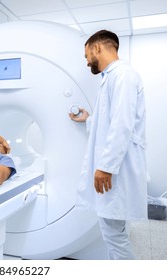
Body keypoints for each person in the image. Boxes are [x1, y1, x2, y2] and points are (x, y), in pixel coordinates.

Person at [69, 30, 147, 259]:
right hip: (115, 167)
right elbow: (111, 119)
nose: (86, 62)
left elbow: (122, 125)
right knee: (113, 233)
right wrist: (89, 119)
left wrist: (106, 167)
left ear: (96, 48)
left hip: (116, 169)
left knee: (115, 236)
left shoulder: (122, 76)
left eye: (86, 56)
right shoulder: (112, 78)